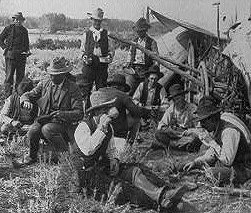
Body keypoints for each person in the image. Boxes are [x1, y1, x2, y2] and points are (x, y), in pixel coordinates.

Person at [73, 98, 191, 211]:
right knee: (123, 188)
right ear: (97, 112)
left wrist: (114, 159)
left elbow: (111, 148)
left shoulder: (108, 128)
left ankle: (165, 192)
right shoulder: (83, 127)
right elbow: (88, 150)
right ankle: (160, 204)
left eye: (108, 109)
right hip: (87, 174)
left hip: (102, 167)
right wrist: (101, 128)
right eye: (106, 110)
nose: (109, 113)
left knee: (136, 169)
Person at [20, 57, 84, 165]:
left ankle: (65, 158)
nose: (52, 77)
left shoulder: (73, 88)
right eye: (51, 74)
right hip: (45, 119)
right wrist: (25, 100)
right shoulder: (45, 84)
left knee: (47, 129)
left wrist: (62, 114)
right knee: (33, 130)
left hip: (64, 123)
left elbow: (79, 113)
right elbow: (28, 94)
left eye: (56, 74)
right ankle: (32, 157)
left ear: (63, 74)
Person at [183, 96, 251, 185]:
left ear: (212, 119)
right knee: (204, 166)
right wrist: (196, 162)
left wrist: (211, 142)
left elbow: (227, 160)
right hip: (232, 166)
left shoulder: (229, 131)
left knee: (211, 173)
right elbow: (212, 154)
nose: (202, 125)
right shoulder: (217, 128)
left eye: (203, 121)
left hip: (244, 169)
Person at [90, 74, 151, 143]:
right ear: (122, 87)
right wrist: (146, 111)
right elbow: (136, 112)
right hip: (117, 131)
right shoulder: (122, 95)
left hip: (97, 126)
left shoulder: (100, 92)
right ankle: (130, 142)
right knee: (136, 119)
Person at [80, 8, 115, 109]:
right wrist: (85, 58)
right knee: (85, 89)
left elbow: (111, 50)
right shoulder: (86, 34)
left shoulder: (106, 34)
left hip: (102, 65)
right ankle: (85, 111)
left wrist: (109, 57)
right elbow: (82, 50)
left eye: (99, 20)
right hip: (89, 65)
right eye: (95, 20)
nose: (96, 22)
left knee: (101, 90)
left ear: (101, 21)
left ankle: (100, 112)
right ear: (91, 20)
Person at [154, 84, 201, 152]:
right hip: (176, 134)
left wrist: (190, 131)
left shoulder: (192, 108)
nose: (177, 101)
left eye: (179, 98)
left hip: (189, 133)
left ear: (183, 96)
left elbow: (199, 128)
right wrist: (171, 131)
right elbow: (161, 126)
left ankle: (179, 146)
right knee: (158, 134)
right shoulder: (171, 109)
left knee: (196, 138)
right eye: (175, 100)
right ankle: (177, 145)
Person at [126, 17, 159, 96]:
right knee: (129, 89)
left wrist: (155, 68)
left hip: (146, 70)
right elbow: (130, 53)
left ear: (145, 30)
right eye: (138, 31)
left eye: (141, 31)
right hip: (134, 69)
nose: (139, 33)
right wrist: (128, 63)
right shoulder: (134, 41)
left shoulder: (152, 42)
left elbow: (156, 57)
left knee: (145, 91)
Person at [0, 12, 30, 98]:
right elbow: (0, 39)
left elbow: (27, 45)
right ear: (13, 20)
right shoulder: (8, 28)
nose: (17, 21)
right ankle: (8, 97)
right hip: (10, 56)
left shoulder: (24, 31)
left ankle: (18, 96)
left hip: (21, 57)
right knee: (9, 77)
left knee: (20, 77)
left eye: (19, 20)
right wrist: (4, 47)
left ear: (22, 21)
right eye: (16, 19)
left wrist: (27, 52)